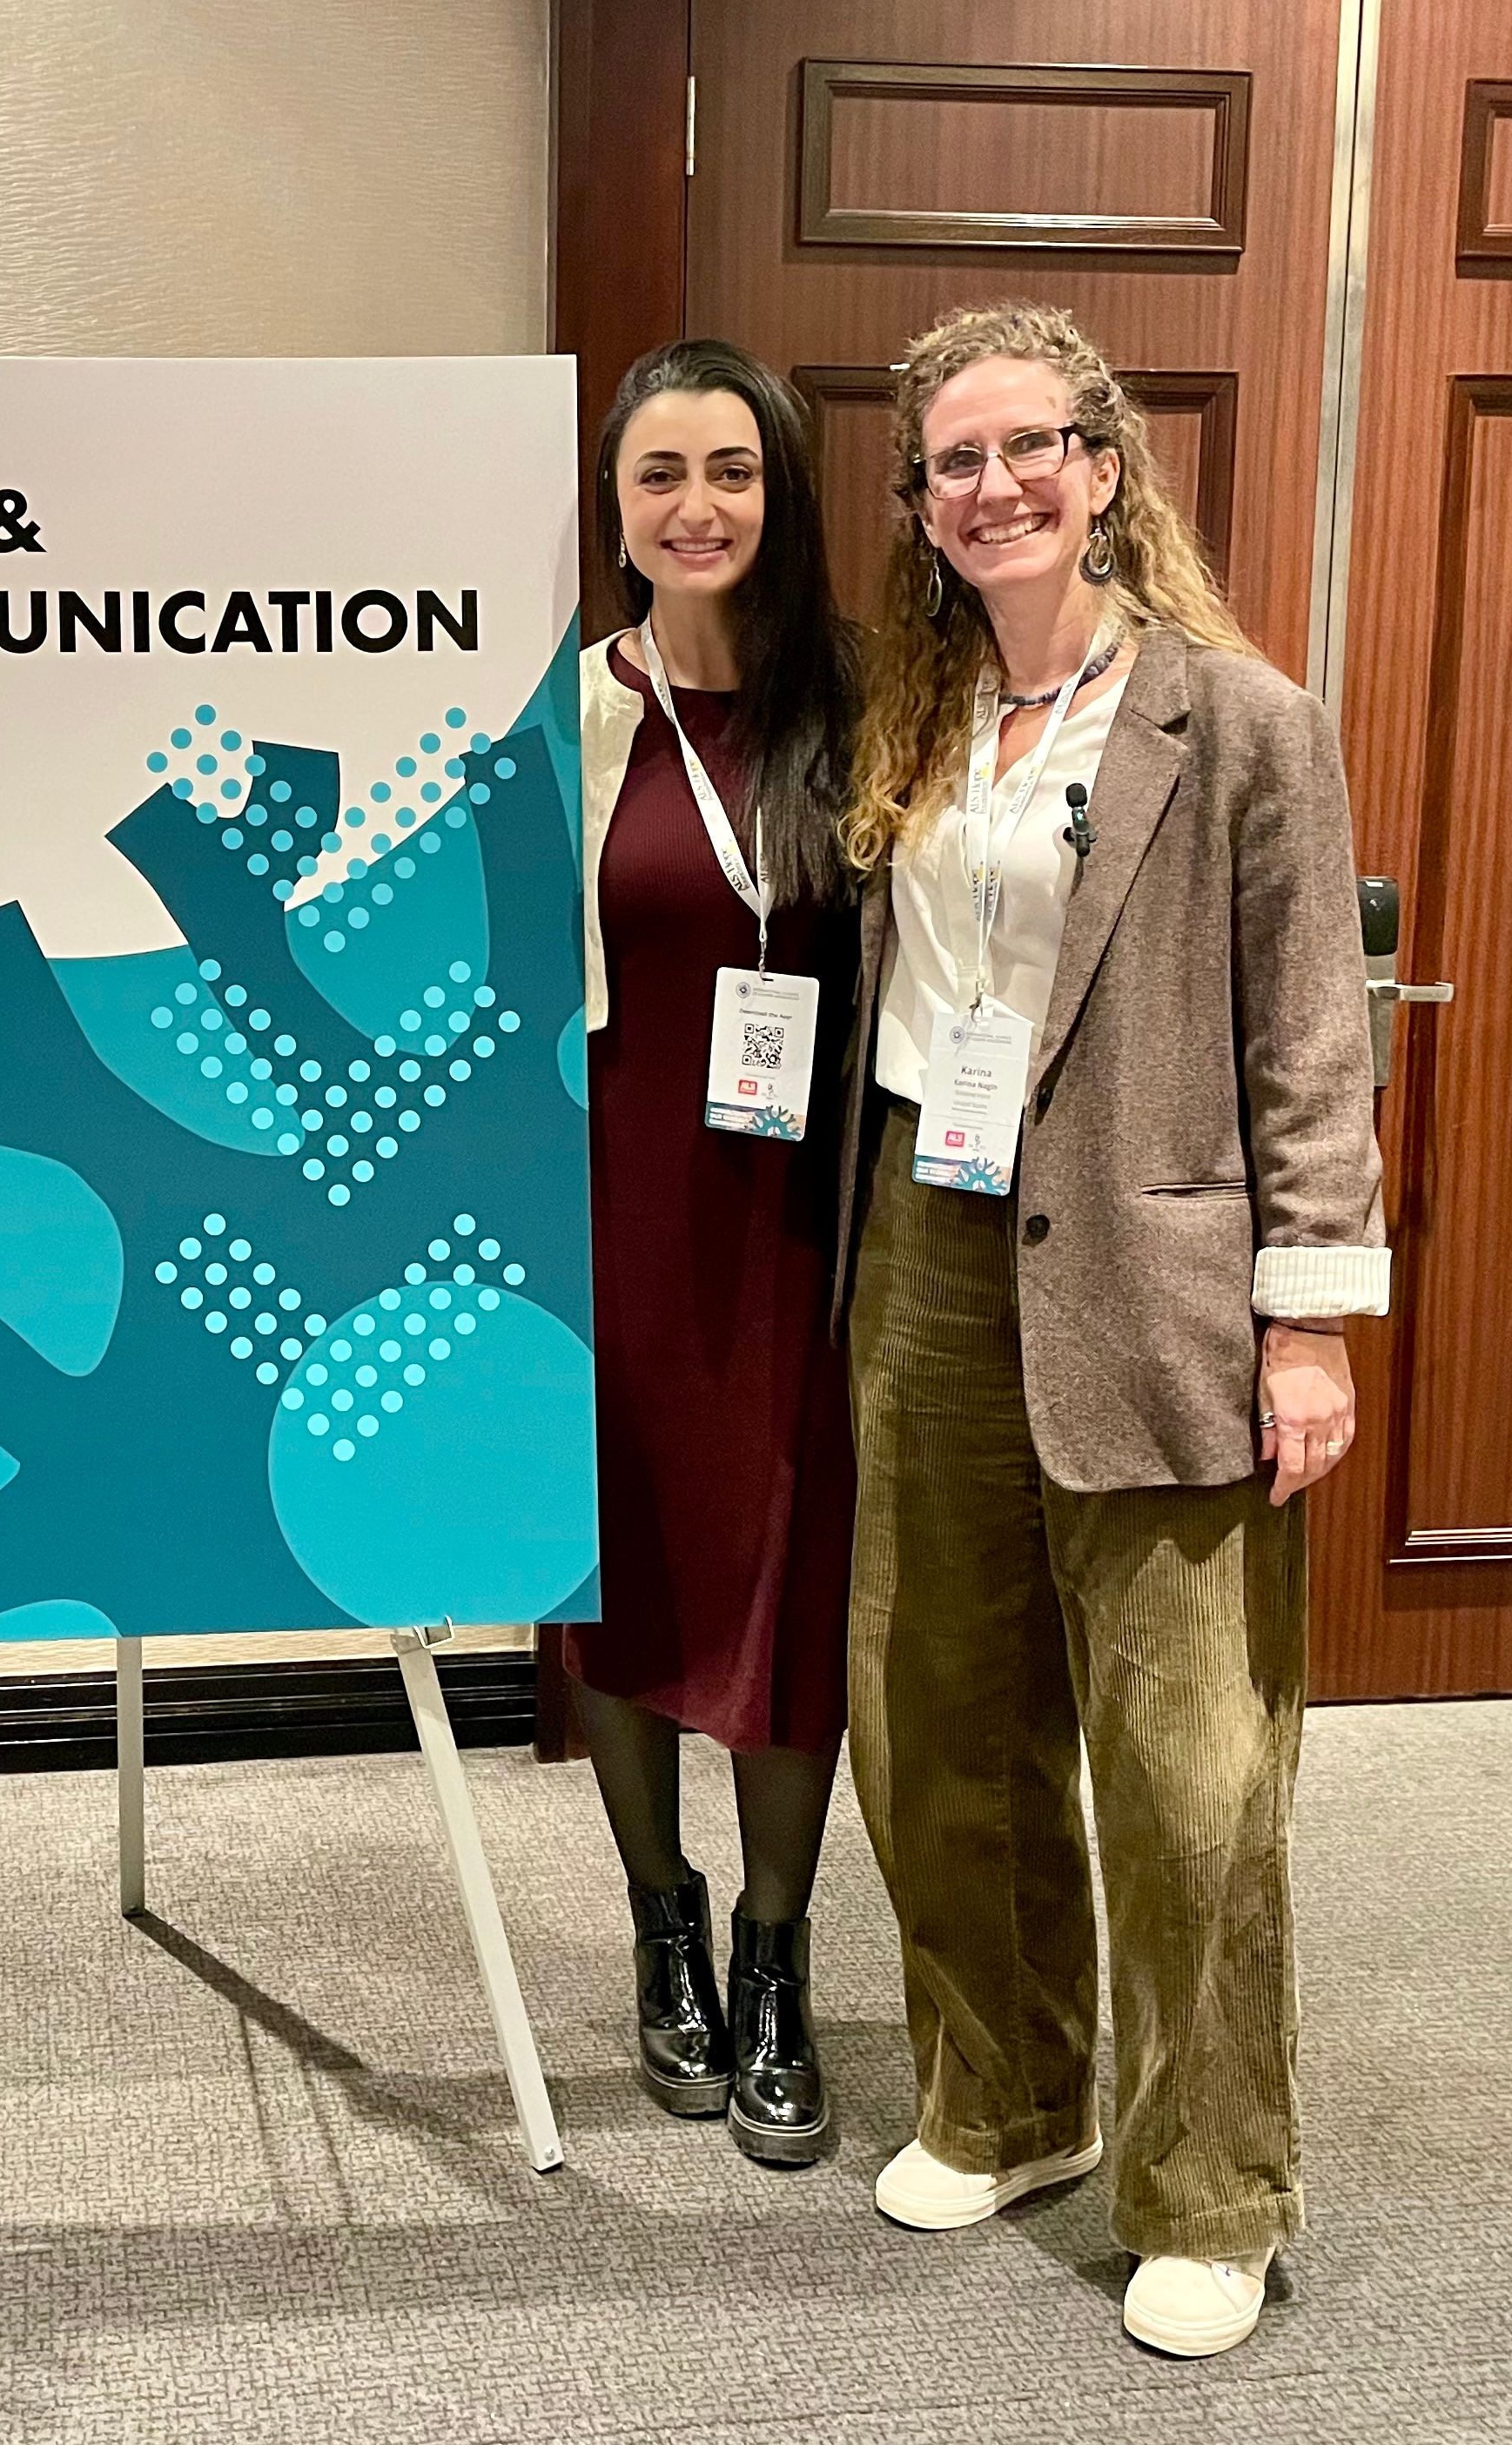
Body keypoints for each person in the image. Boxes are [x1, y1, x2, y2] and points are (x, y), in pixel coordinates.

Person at [834, 299, 1384, 2359]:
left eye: (1025, 446)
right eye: (950, 462)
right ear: (917, 504)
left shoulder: (1236, 721)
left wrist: (1305, 1321)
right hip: (928, 1242)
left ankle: (1209, 2183)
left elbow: (1309, 1041)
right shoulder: (915, 718)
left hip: (1154, 1277)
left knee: (1186, 1761)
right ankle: (1008, 2096)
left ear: (1098, 464)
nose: (991, 486)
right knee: (934, 1714)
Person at [565, 339, 860, 2166]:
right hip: (610, 1209)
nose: (698, 505)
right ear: (613, 509)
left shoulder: (863, 705)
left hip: (803, 1226)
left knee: (789, 1580)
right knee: (621, 1573)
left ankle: (773, 1950)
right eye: (659, 473)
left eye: (731, 469)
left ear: (779, 491)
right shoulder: (564, 713)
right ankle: (659, 1921)